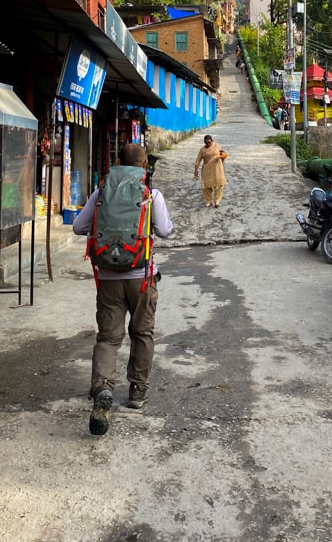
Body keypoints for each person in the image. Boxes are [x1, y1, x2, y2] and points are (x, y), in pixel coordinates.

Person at [73, 143, 173, 435]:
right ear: (144, 166)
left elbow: (79, 227)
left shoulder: (101, 192)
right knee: (142, 333)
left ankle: (103, 388)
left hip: (108, 278)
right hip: (141, 276)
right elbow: (165, 231)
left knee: (108, 338)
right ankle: (137, 393)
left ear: (117, 162)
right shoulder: (151, 195)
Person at [194, 133, 227, 208]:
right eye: (206, 142)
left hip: (217, 168)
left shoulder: (216, 145)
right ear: (204, 142)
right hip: (207, 169)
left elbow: (222, 153)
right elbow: (198, 160)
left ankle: (217, 201)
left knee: (219, 184)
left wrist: (223, 155)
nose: (208, 144)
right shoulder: (202, 149)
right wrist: (196, 170)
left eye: (209, 142)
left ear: (212, 141)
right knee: (206, 185)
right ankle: (208, 201)